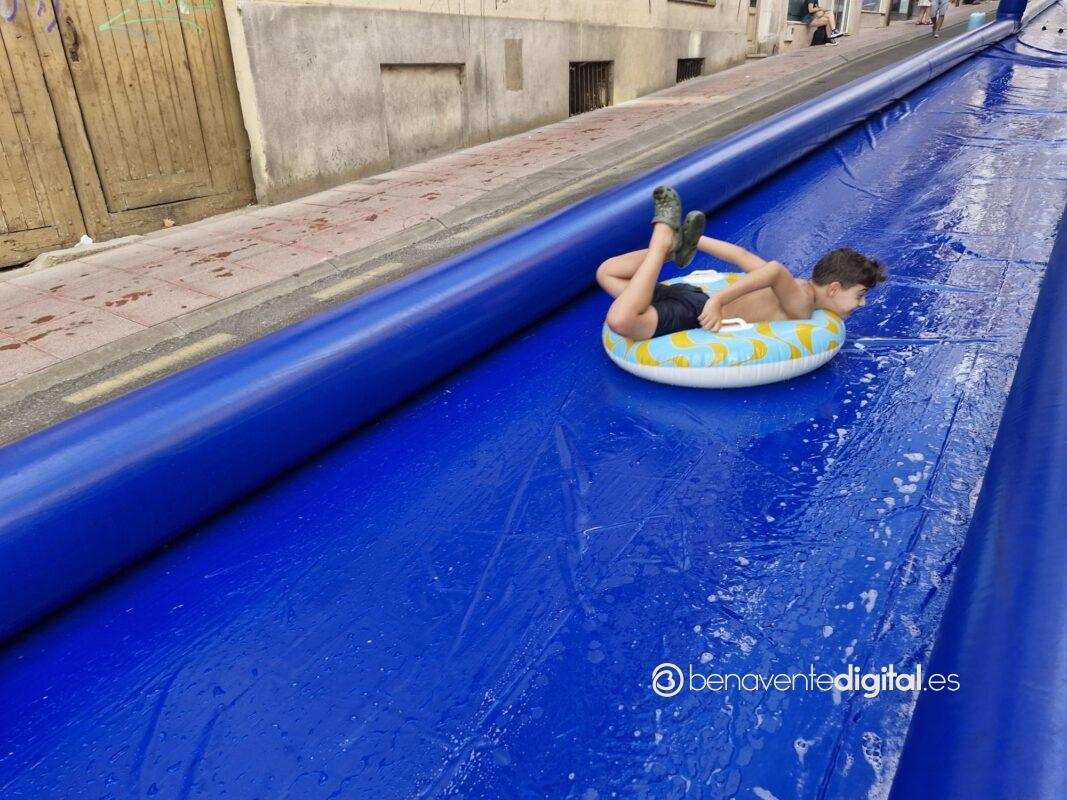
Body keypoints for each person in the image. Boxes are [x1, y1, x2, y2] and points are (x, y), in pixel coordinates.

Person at [596, 186, 887, 341]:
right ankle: (661, 241)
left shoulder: (795, 286)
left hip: (692, 296)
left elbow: (742, 257)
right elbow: (774, 270)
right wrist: (717, 302)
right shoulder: (800, 302)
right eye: (860, 295)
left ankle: (671, 247)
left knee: (607, 272)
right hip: (695, 312)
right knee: (622, 320)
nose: (862, 303)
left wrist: (694, 240)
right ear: (833, 288)